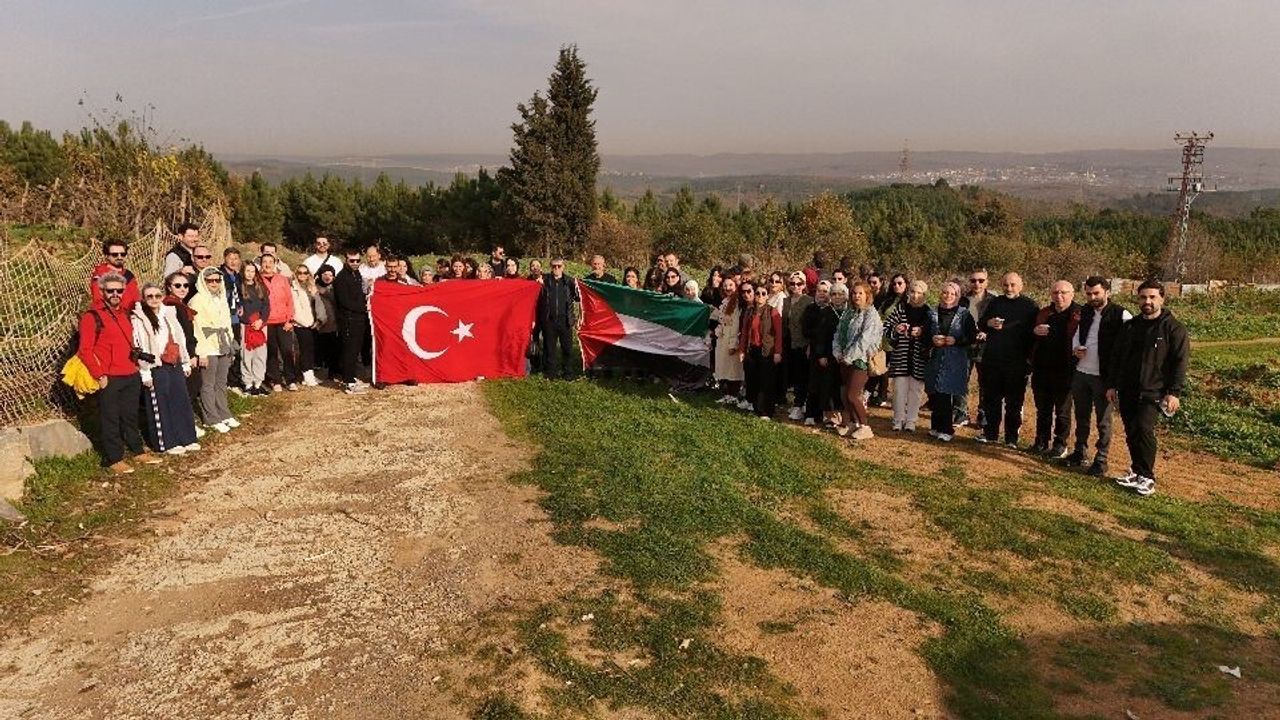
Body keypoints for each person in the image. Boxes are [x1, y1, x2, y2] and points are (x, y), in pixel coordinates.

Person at [1107, 280, 1189, 498]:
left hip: (1154, 391)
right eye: (1143, 297)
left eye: (1152, 297)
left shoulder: (1174, 329)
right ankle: (1135, 471)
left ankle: (1148, 477)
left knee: (1144, 430)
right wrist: (1112, 385)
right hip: (1128, 389)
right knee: (1131, 431)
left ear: (1162, 298)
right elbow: (1117, 357)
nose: (1147, 302)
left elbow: (1180, 362)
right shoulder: (1130, 326)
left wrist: (1174, 392)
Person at [78, 273, 159, 474]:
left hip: (130, 372)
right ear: (102, 291)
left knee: (130, 415)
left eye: (119, 290)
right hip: (109, 375)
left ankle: (137, 450)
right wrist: (99, 374)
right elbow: (85, 350)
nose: (115, 294)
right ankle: (114, 458)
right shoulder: (92, 317)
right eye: (110, 290)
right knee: (110, 417)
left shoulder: (124, 313)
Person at [1067, 277, 1132, 476]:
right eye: (1088, 294)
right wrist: (1075, 348)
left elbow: (1129, 347)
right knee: (1081, 415)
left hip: (1104, 377)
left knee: (1103, 421)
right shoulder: (1084, 311)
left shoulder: (1122, 314)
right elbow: (1078, 334)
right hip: (1081, 372)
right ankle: (1080, 451)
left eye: (1096, 293)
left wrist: (1118, 379)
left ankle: (1101, 460)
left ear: (1107, 292)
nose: (1092, 297)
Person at [131, 282, 201, 455]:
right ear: (144, 298)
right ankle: (167, 442)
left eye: (157, 295)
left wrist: (184, 360)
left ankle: (186, 437)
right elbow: (139, 344)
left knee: (180, 400)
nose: (154, 299)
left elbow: (179, 337)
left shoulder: (169, 313)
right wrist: (145, 371)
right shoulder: (139, 318)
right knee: (161, 404)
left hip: (174, 361)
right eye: (150, 296)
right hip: (155, 365)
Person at [977, 272, 1040, 447]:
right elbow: (982, 323)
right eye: (1005, 285)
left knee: (1014, 403)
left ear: (1021, 285)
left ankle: (1012, 438)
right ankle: (991, 434)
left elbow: (1035, 335)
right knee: (991, 400)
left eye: (1012, 285)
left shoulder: (1030, 306)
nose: (1009, 288)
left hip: (1017, 363)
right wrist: (989, 323)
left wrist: (1029, 361)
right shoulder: (995, 302)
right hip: (993, 360)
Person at [1030, 281, 1082, 457]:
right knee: (1043, 408)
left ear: (1072, 294)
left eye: (1063, 292)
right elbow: (1031, 336)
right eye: (1055, 293)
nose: (1059, 296)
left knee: (1062, 410)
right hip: (1042, 368)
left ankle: (1060, 444)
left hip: (1065, 369)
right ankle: (1041, 441)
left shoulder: (1079, 314)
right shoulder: (1045, 313)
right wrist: (1035, 331)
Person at [924, 282, 978, 442]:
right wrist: (932, 339)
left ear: (958, 296)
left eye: (952, 294)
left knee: (946, 393)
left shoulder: (964, 314)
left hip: (955, 358)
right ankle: (935, 426)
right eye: (945, 293)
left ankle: (946, 429)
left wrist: (957, 340)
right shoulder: (932, 313)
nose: (948, 296)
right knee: (934, 391)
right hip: (935, 357)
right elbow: (924, 334)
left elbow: (972, 337)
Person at [189, 267, 239, 433]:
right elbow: (197, 328)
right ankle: (211, 417)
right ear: (203, 281)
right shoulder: (197, 300)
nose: (214, 283)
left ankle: (224, 413)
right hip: (208, 346)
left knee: (221, 382)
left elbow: (227, 324)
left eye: (217, 280)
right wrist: (201, 352)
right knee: (208, 384)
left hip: (222, 344)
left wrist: (230, 344)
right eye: (210, 280)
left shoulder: (221, 298)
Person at [833, 281, 881, 440]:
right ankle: (853, 424)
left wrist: (849, 357)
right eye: (854, 293)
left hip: (861, 360)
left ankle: (865, 425)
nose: (856, 296)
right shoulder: (848, 313)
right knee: (845, 394)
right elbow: (839, 334)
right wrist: (838, 352)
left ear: (867, 295)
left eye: (860, 293)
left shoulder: (871, 315)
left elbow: (865, 340)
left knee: (853, 395)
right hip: (845, 359)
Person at [884, 280, 932, 432]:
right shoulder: (900, 309)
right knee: (899, 389)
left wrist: (922, 332)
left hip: (919, 357)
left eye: (919, 293)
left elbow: (933, 333)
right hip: (901, 356)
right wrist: (896, 329)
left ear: (924, 295)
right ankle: (898, 419)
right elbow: (885, 327)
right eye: (913, 292)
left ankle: (911, 420)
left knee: (916, 391)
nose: (915, 296)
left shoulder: (929, 312)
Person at [738, 280, 782, 419]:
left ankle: (766, 411)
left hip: (767, 350)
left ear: (767, 295)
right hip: (752, 349)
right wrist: (742, 350)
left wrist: (777, 352)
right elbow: (745, 332)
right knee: (752, 378)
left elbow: (779, 333)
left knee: (766, 381)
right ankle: (755, 406)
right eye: (757, 293)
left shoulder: (772, 311)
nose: (760, 296)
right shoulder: (750, 311)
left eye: (763, 293)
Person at [163, 271, 202, 426]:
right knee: (188, 388)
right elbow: (183, 333)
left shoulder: (180, 304)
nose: (182, 288)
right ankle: (184, 422)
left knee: (190, 387)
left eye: (186, 285)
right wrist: (191, 355)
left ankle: (186, 420)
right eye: (177, 285)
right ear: (169, 287)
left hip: (185, 351)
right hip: (182, 353)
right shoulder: (172, 305)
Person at [959, 268, 995, 428]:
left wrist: (987, 333)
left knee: (985, 382)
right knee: (961, 380)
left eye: (981, 280)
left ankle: (983, 414)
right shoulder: (963, 300)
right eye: (973, 280)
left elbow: (1000, 322)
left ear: (987, 282)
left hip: (987, 346)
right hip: (967, 345)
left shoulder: (995, 300)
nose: (977, 284)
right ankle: (961, 412)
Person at [803, 281, 839, 427]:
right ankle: (811, 414)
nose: (822, 294)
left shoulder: (833, 311)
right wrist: (817, 335)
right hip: (814, 351)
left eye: (825, 291)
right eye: (819, 291)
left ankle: (827, 415)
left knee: (828, 386)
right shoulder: (810, 309)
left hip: (831, 352)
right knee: (813, 384)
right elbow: (806, 331)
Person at [334, 249, 370, 394]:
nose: (355, 263)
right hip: (348, 319)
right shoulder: (341, 278)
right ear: (346, 260)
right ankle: (348, 381)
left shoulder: (356, 274)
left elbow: (359, 294)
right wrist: (364, 307)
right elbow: (344, 302)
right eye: (352, 261)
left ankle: (352, 377)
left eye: (357, 260)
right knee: (349, 350)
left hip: (359, 319)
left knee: (355, 350)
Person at [260, 255, 298, 392]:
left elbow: (290, 300)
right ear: (261, 264)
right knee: (272, 352)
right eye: (265, 262)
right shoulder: (258, 280)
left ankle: (291, 379)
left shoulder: (282, 279)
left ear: (275, 263)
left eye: (271, 262)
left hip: (283, 321)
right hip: (267, 322)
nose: (267, 264)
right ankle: (275, 379)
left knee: (287, 350)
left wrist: (290, 319)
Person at [781, 271, 814, 421]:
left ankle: (800, 404)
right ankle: (797, 402)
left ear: (804, 285)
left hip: (803, 343)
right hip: (790, 343)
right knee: (794, 374)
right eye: (792, 284)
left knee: (802, 375)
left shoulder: (808, 301)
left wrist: (809, 344)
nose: (795, 286)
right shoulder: (787, 301)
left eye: (799, 283)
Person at [539, 259, 579, 379]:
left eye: (559, 266)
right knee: (550, 348)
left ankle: (568, 373)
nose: (556, 268)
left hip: (565, 320)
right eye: (554, 266)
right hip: (549, 320)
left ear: (563, 267)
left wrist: (578, 287)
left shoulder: (569, 281)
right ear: (551, 267)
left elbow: (578, 298)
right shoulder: (545, 281)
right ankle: (551, 373)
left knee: (567, 348)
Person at [238, 261, 271, 396]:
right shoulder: (239, 287)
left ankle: (258, 383)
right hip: (246, 325)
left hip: (260, 325)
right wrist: (247, 320)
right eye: (247, 271)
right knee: (246, 355)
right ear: (243, 272)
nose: (250, 274)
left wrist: (261, 320)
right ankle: (247, 382)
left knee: (260, 355)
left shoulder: (260, 287)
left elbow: (266, 306)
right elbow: (239, 308)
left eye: (252, 271)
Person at [290, 264, 326, 387]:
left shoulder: (311, 287)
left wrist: (318, 321)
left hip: (312, 323)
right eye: (300, 273)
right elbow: (295, 308)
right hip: (301, 323)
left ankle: (309, 374)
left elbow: (317, 305)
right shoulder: (293, 288)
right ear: (296, 273)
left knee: (310, 349)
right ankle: (306, 374)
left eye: (305, 273)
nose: (302, 275)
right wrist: (305, 322)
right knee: (305, 350)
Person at [713, 277, 745, 404]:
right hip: (722, 339)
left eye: (730, 285)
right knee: (724, 367)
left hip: (731, 339)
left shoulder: (736, 303)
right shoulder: (725, 301)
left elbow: (736, 323)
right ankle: (726, 394)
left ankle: (733, 394)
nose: (728, 288)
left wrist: (733, 343)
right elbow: (722, 320)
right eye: (725, 286)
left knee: (733, 369)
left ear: (735, 286)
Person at [89, 238, 140, 310]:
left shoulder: (129, 274)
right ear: (107, 256)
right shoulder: (101, 275)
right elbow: (98, 301)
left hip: (131, 315)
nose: (119, 257)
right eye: (115, 255)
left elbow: (136, 297)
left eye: (122, 254)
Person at [220, 248, 246, 392]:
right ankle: (228, 380)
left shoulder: (237, 276)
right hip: (225, 317)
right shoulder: (219, 275)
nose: (233, 261)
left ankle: (235, 379)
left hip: (236, 317)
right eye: (230, 258)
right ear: (224, 258)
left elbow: (239, 294)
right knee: (226, 348)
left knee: (236, 347)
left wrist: (240, 304)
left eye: (236, 258)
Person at [314, 265, 341, 381]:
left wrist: (325, 292)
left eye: (330, 275)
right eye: (325, 274)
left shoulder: (336, 287)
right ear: (320, 275)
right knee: (320, 347)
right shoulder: (313, 287)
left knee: (333, 348)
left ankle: (333, 371)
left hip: (333, 323)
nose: (327, 277)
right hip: (318, 323)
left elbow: (338, 301)